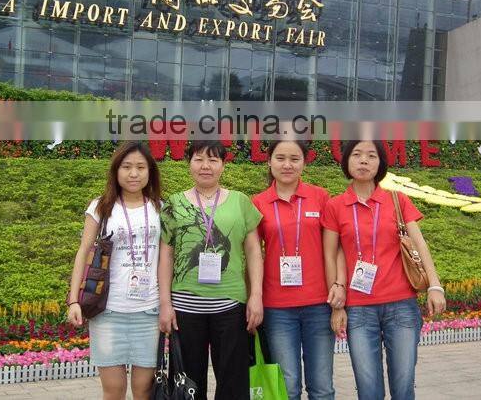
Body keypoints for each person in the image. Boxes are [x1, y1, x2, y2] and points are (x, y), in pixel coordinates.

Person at [323, 141, 446, 400]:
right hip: (359, 310)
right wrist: (337, 304)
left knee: (403, 387)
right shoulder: (335, 206)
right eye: (357, 155)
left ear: (380, 163)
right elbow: (332, 255)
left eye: (371, 156)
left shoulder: (397, 200)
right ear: (346, 161)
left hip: (401, 306)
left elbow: (420, 244)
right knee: (368, 390)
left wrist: (435, 286)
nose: (363, 161)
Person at [159, 140, 263, 400]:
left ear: (223, 165)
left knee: (233, 382)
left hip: (230, 305)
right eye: (198, 159)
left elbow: (254, 251)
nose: (205, 166)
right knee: (188, 384)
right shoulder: (174, 203)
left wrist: (256, 296)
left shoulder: (240, 201)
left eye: (213, 160)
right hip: (185, 306)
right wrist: (165, 303)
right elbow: (166, 255)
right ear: (189, 164)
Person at [67, 141, 163, 400]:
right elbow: (83, 251)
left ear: (150, 171)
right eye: (126, 167)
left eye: (140, 167)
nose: (134, 174)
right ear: (116, 170)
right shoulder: (101, 207)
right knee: (113, 390)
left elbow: (168, 259)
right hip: (108, 311)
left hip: (149, 312)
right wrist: (74, 300)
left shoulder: (160, 208)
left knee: (144, 390)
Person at [251, 140, 345, 400]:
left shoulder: (320, 197)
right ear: (269, 161)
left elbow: (336, 248)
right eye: (280, 158)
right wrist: (253, 298)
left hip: (319, 304)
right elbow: (253, 255)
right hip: (278, 309)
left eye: (295, 159)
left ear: (304, 161)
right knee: (288, 387)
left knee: (322, 387)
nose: (287, 165)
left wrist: (339, 289)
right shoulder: (258, 202)